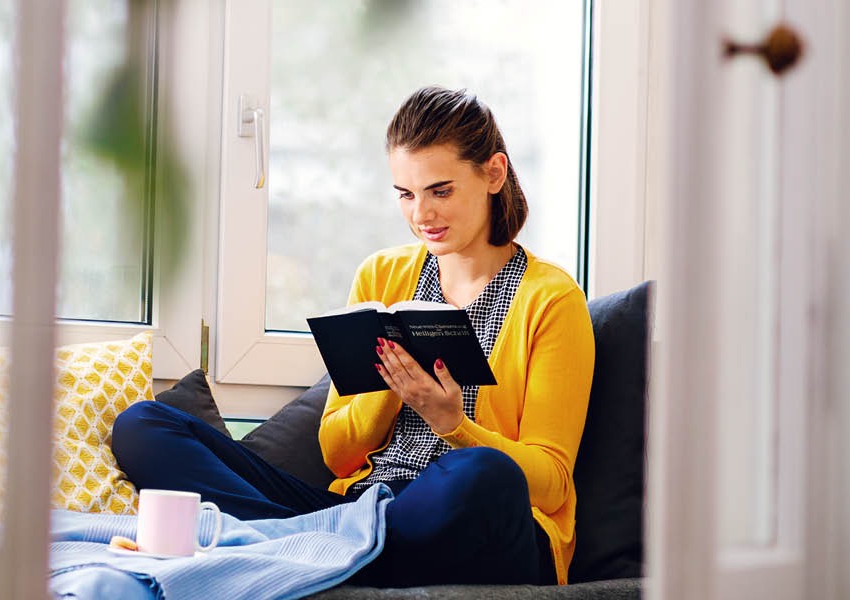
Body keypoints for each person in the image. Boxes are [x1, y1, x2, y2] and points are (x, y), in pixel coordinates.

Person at [113, 86, 594, 587]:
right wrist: (389, 384)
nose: (421, 215)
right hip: (359, 512)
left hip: (479, 520)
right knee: (143, 424)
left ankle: (297, 552)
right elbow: (337, 455)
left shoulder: (551, 298)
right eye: (406, 195)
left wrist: (453, 424)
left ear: (494, 173)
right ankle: (319, 552)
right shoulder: (381, 275)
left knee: (483, 473)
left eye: (440, 190)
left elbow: (552, 484)